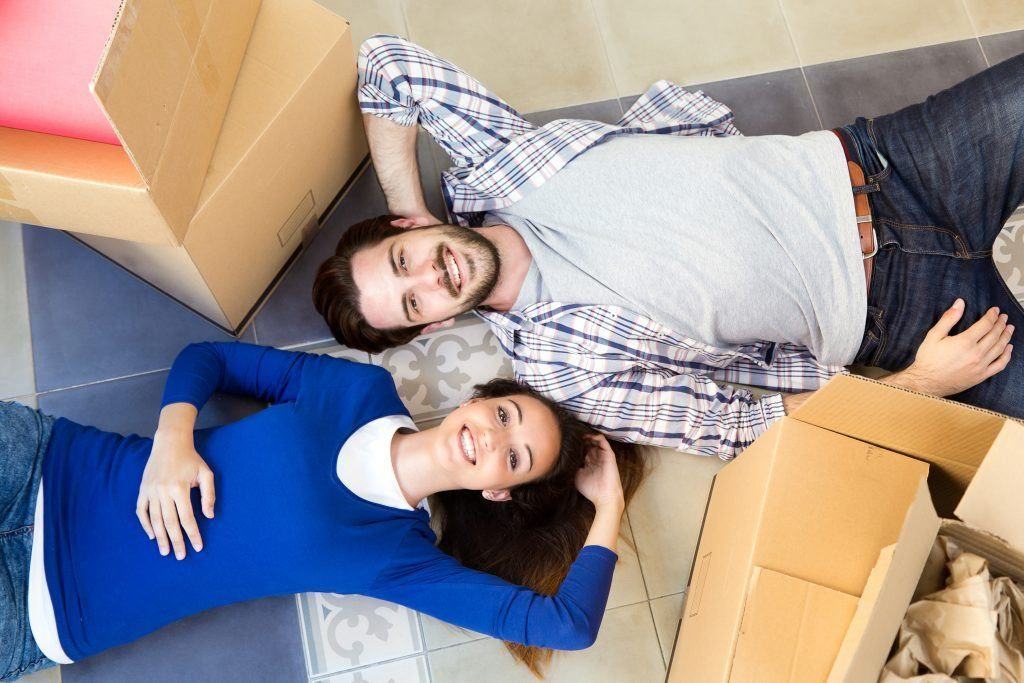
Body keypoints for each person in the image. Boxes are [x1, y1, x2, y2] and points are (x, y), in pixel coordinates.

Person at [313, 34, 1023, 460]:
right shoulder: (561, 370)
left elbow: (386, 64)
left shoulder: (498, 163)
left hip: (893, 163)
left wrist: (408, 205)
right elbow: (739, 429)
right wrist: (920, 386)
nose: (433, 275)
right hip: (905, 317)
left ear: (406, 230)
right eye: (415, 303)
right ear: (431, 326)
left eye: (404, 259)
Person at [0, 342, 645, 681]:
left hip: (40, 610)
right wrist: (173, 439)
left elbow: (567, 626)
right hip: (43, 463)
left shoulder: (399, 560)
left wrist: (607, 504)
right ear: (476, 400)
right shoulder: (359, 389)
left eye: (515, 458)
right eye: (503, 415)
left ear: (499, 492)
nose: (493, 439)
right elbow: (210, 358)